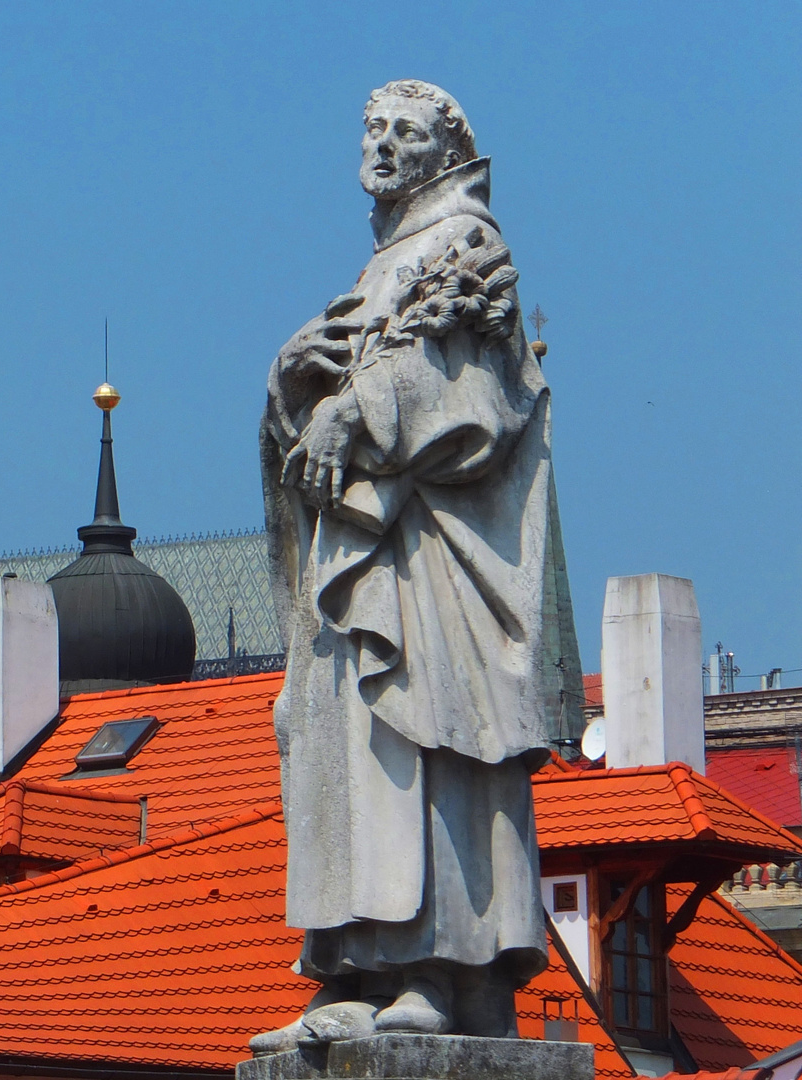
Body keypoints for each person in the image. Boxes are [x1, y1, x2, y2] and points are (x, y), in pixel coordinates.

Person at [254, 80, 559, 1051]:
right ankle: (352, 960)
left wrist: (363, 410)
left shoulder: (469, 243)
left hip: (432, 558)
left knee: (429, 749)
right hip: (357, 548)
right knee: (343, 748)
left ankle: (438, 966)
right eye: (372, 128)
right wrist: (292, 377)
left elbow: (477, 400)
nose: (381, 145)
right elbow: (314, 416)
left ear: (442, 153)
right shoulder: (382, 261)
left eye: (404, 133)